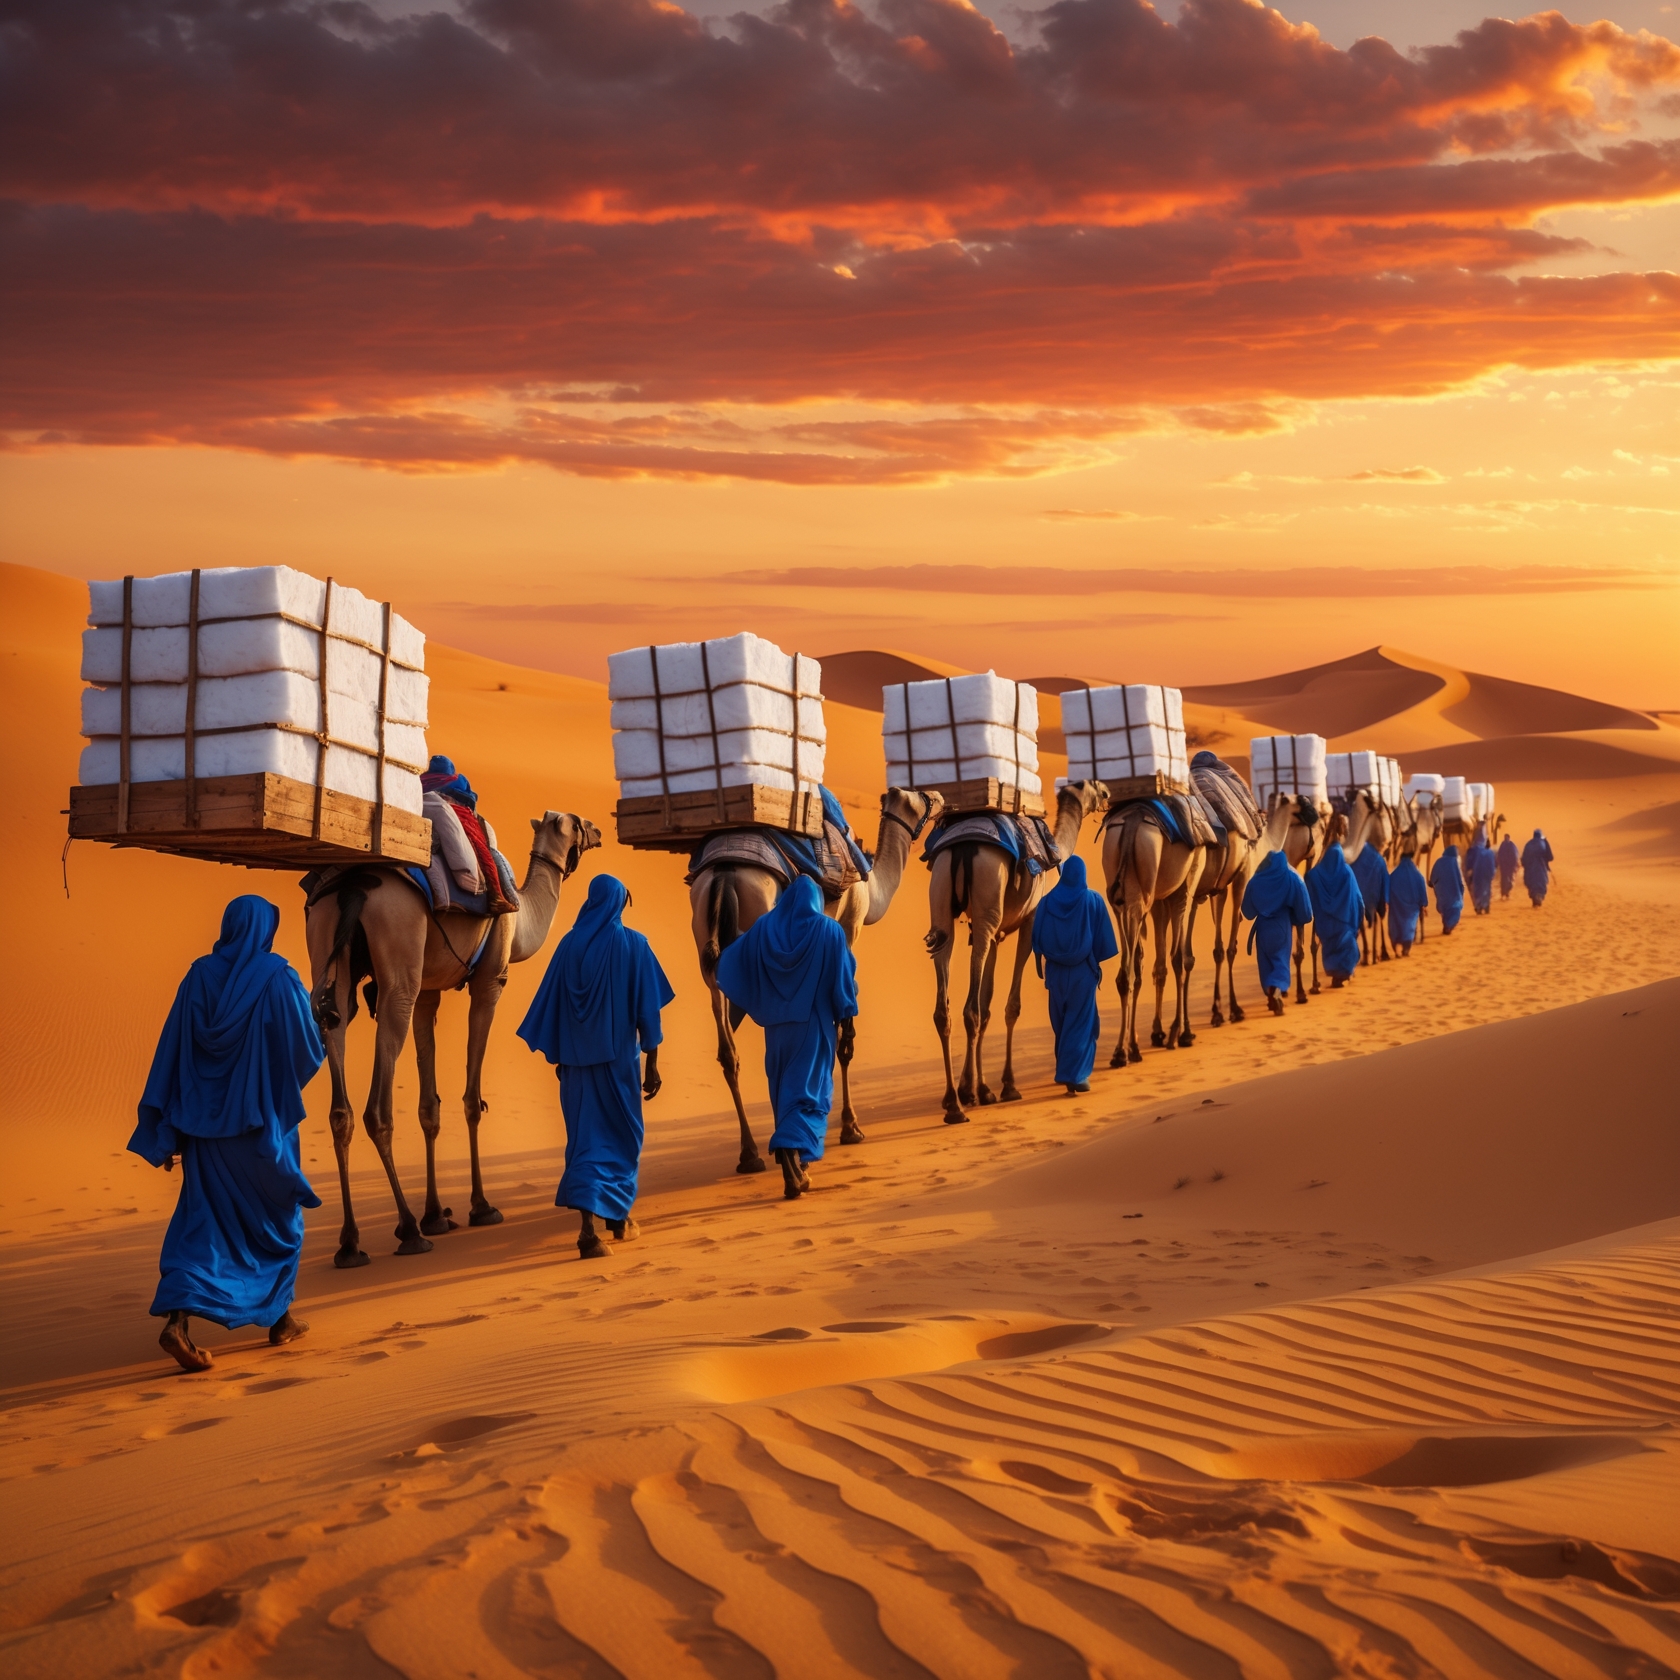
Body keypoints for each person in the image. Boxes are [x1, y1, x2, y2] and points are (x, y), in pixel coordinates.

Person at [129, 896, 325, 1373]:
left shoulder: (198, 975)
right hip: (259, 1131)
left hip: (202, 1133)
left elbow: (171, 1051)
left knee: (201, 1224)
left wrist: (168, 1126)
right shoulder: (278, 977)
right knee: (279, 1223)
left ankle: (179, 1321)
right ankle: (278, 1321)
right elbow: (305, 1052)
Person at [518, 874, 673, 1259]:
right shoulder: (635, 945)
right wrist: (652, 1062)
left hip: (575, 1067)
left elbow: (549, 1007)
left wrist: (559, 1057)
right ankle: (599, 1227)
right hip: (619, 1064)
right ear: (618, 903)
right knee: (622, 1139)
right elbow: (648, 1011)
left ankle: (609, 1220)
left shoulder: (568, 946)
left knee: (585, 1143)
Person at [716, 875, 858, 1201]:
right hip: (815, 1026)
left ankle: (797, 1166)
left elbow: (733, 959)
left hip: (777, 1033)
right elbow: (842, 980)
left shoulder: (765, 929)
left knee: (784, 1094)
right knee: (808, 1094)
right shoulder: (829, 930)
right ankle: (788, 1149)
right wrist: (847, 1019)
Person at [1030, 855, 1118, 1094]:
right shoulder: (1094, 901)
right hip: (1082, 974)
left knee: (1062, 1024)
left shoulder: (1046, 903)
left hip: (1056, 974)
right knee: (1079, 1024)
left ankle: (1067, 1070)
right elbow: (1104, 944)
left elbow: (1036, 940)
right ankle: (1074, 1076)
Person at [1241, 850, 1312, 1014]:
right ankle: (1276, 991)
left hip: (1262, 930)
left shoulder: (1255, 880)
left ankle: (1270, 994)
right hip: (1282, 927)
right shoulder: (1291, 877)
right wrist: (1296, 918)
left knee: (1265, 965)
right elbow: (1306, 912)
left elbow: (1247, 911)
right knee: (1280, 963)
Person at [1305, 827, 1364, 986]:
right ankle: (1343, 975)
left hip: (1325, 926)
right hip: (1345, 924)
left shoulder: (1315, 875)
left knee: (1331, 949)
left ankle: (1336, 975)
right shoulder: (1347, 872)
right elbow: (1358, 899)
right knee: (1347, 947)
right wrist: (1358, 919)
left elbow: (1309, 891)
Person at [1387, 852, 1429, 954]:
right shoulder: (1418, 875)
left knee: (1395, 925)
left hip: (1396, 907)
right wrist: (1424, 903)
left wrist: (1387, 902)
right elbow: (1422, 890)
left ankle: (1396, 946)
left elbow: (1387, 890)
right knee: (1409, 925)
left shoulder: (1393, 875)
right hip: (1412, 908)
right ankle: (1406, 948)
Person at [1430, 843, 1466, 934]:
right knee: (1455, 909)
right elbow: (1459, 878)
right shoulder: (1454, 862)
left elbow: (1433, 877)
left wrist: (1432, 883)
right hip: (1454, 893)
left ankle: (1446, 925)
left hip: (1442, 893)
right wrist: (1461, 889)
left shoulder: (1439, 861)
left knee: (1445, 910)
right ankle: (1448, 926)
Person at [1521, 828, 1555, 907]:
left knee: (1532, 887)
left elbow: (1523, 859)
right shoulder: (1544, 843)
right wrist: (1546, 842)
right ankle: (1538, 898)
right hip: (1541, 871)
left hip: (1530, 872)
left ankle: (1535, 899)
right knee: (1540, 887)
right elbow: (1550, 857)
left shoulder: (1528, 844)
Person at [1468, 838, 1496, 915]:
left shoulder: (1478, 852)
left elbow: (1473, 863)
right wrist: (1492, 874)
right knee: (1486, 891)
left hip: (1478, 875)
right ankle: (1486, 906)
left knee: (1478, 890)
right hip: (1486, 875)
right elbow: (1492, 865)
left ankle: (1479, 906)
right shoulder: (1490, 853)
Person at [1497, 832, 1520, 899]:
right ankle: (1505, 893)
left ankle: (1505, 893)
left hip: (1507, 866)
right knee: (1507, 879)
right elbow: (1515, 856)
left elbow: (1499, 855)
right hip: (1507, 866)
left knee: (1506, 879)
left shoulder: (1506, 845)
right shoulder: (1508, 845)